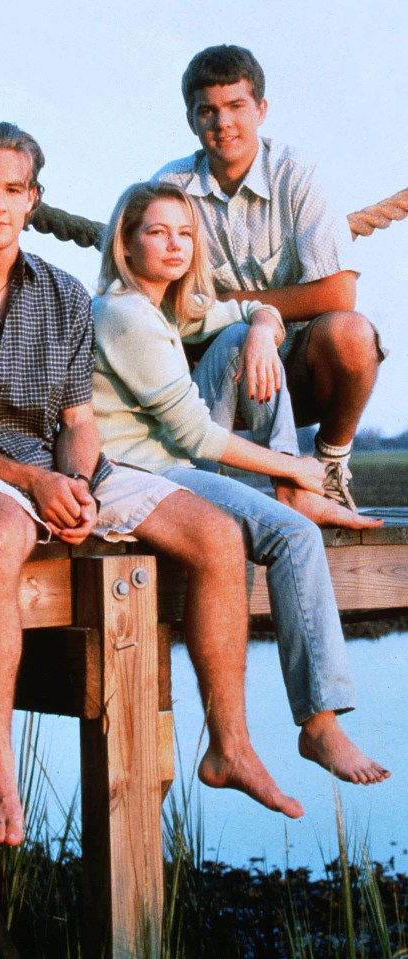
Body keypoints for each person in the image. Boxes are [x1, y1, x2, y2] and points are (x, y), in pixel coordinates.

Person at [0, 122, 323, 848]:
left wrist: (76, 479)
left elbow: (77, 419)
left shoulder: (59, 293)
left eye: (13, 190)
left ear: (34, 200)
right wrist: (32, 482)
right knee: (3, 531)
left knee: (217, 533)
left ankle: (230, 743)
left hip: (53, 464)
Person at [91, 180, 389, 801]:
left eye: (184, 233)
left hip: (173, 463)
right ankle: (317, 724)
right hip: (143, 474)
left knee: (236, 340)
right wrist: (302, 468)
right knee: (293, 534)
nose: (174, 245)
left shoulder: (171, 307)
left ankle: (291, 486)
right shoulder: (123, 313)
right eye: (156, 232)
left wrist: (261, 327)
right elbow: (194, 436)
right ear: (125, 242)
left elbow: (249, 313)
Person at [152, 44, 387, 518]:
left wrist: (251, 311)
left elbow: (339, 292)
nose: (223, 124)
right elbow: (156, 300)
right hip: (215, 375)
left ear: (261, 109)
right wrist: (246, 323)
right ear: (191, 120)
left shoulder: (296, 174)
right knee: (232, 336)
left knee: (352, 333)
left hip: (298, 373)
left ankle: (329, 466)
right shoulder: (171, 187)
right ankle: (194, 485)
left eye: (237, 106)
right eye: (208, 111)